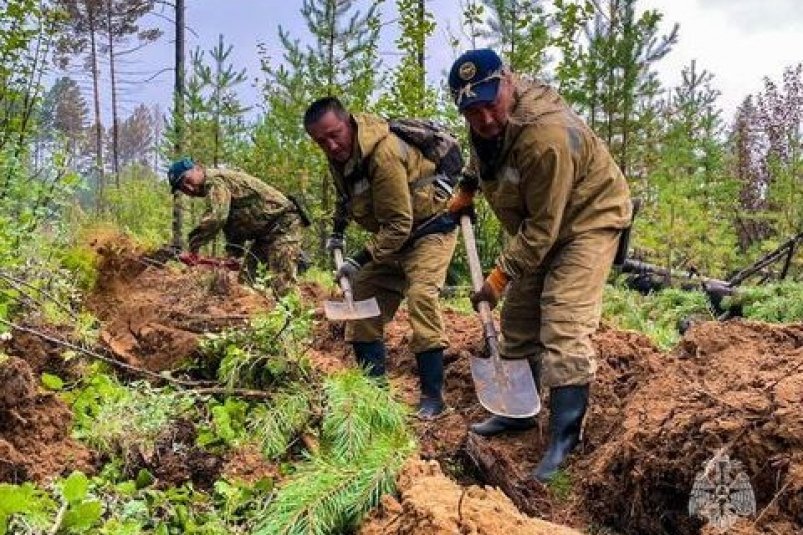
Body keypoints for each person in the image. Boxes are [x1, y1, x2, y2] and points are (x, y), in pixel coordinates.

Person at [446, 49, 632, 481]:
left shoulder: (545, 137)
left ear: (507, 83)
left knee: (563, 318)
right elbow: (485, 151)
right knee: (518, 318)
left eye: (491, 104)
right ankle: (518, 413)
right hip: (543, 221)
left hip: (588, 218)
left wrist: (498, 276)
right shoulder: (485, 118)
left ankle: (565, 440)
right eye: (472, 110)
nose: (486, 118)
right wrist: (468, 185)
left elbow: (543, 231)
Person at [303, 97, 459, 420]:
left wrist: (358, 258)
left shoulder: (383, 153)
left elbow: (400, 224)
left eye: (335, 134)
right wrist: (338, 230)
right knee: (361, 296)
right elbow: (346, 197)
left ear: (349, 123)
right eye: (322, 141)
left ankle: (433, 398)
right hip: (394, 239)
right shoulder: (342, 158)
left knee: (421, 297)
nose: (331, 145)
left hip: (429, 231)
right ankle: (373, 393)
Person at [167, 157, 308, 296]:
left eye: (187, 181)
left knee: (283, 283)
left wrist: (193, 246)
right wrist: (234, 253)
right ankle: (258, 316)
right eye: (183, 188)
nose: (189, 188)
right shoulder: (216, 190)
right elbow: (234, 223)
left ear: (197, 169)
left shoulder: (215, 181)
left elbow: (217, 218)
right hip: (265, 234)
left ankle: (295, 317)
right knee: (247, 281)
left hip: (283, 225)